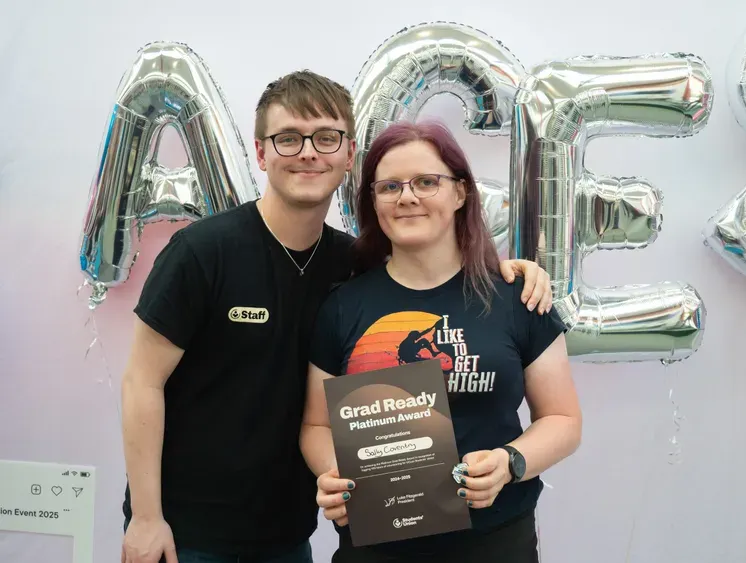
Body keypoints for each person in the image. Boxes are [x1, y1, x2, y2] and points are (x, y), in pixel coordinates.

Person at [119, 71, 554, 563]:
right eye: (288, 138)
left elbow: (435, 275)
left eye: (326, 138)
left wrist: (507, 270)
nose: (308, 152)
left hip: (287, 534)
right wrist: (147, 517)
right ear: (261, 153)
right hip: (188, 534)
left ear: (348, 155)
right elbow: (141, 382)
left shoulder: (353, 266)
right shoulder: (201, 252)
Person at [301, 120, 583, 563]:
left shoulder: (517, 298)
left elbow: (563, 419)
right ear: (373, 202)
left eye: (426, 182)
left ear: (460, 192)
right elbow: (316, 426)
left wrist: (510, 462)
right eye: (389, 187)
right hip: (377, 543)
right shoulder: (342, 306)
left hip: (494, 542)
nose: (407, 197)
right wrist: (333, 473)